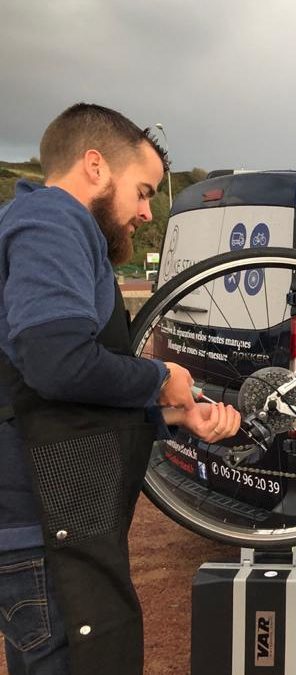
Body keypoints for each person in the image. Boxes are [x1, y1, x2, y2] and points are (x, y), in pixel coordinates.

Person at [0, 103, 241, 675]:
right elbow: (55, 361)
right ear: (94, 167)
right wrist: (161, 381)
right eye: (142, 190)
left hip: (58, 521)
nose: (145, 210)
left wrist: (175, 417)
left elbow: (64, 391)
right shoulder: (52, 222)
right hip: (47, 527)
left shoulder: (52, 227)